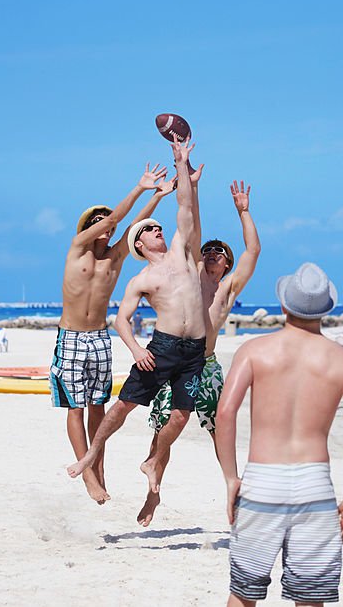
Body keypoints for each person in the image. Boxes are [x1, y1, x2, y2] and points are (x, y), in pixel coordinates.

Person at [215, 263, 343, 606]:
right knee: (310, 597)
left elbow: (225, 413)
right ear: (325, 309)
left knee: (243, 595)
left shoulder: (254, 351)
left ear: (284, 305)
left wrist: (231, 478)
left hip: (262, 479)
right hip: (315, 486)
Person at [67, 137, 206, 496]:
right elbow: (122, 320)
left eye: (157, 227)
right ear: (139, 246)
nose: (157, 230)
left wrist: (182, 166)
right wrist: (136, 350)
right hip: (161, 348)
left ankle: (152, 462)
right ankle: (92, 455)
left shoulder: (182, 254)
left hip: (195, 350)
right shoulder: (140, 278)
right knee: (123, 405)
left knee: (180, 415)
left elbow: (185, 211)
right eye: (149, 230)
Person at [138, 179, 261, 526]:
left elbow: (252, 252)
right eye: (208, 249)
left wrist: (244, 211)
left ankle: (232, 489)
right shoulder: (189, 276)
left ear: (226, 264)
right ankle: (153, 490)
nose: (211, 253)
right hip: (178, 361)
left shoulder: (228, 289)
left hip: (205, 366)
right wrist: (192, 185)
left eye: (219, 252)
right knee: (163, 428)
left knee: (220, 427)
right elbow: (191, 222)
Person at [54, 163, 174, 504]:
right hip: (71, 338)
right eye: (97, 223)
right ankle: (88, 475)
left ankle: (97, 466)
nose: (104, 228)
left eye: (105, 224)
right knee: (75, 409)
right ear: (87, 228)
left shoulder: (114, 259)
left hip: (98, 339)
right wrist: (140, 188)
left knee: (98, 408)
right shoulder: (77, 247)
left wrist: (158, 197)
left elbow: (134, 228)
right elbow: (112, 222)